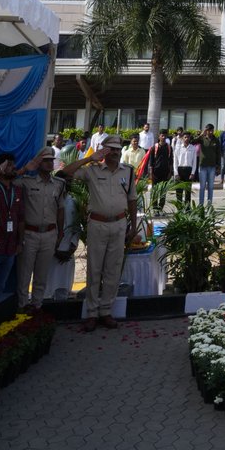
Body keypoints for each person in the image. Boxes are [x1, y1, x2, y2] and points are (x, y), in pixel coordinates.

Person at [59, 135, 137, 330]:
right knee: (95, 269)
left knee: (113, 269)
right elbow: (63, 174)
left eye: (118, 150)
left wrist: (134, 226)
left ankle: (106, 311)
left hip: (119, 224)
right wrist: (89, 158)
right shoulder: (91, 171)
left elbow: (132, 200)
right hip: (97, 224)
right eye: (111, 150)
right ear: (104, 152)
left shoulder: (127, 172)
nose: (115, 153)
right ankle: (92, 313)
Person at [15, 147, 65, 309]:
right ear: (38, 162)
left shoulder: (59, 184)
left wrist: (60, 233)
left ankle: (37, 307)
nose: (50, 163)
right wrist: (24, 169)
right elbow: (6, 181)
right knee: (24, 276)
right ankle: (22, 308)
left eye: (51, 160)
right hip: (30, 234)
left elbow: (60, 209)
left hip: (49, 233)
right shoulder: (27, 182)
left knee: (41, 276)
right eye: (46, 160)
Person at [0, 153, 24, 294]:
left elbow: (20, 218)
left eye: (13, 164)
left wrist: (20, 242)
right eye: (9, 165)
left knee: (0, 287)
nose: (14, 167)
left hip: (10, 248)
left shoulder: (17, 190)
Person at [195, 124, 221, 206]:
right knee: (202, 187)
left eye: (212, 130)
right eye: (209, 130)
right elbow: (193, 142)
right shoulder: (202, 139)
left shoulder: (216, 140)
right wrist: (201, 134)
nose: (210, 132)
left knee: (210, 187)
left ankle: (209, 205)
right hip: (203, 166)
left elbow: (218, 154)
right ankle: (201, 205)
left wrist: (218, 166)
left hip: (212, 167)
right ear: (206, 130)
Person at [147, 130, 174, 209]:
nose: (163, 137)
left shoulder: (169, 147)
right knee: (155, 191)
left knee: (163, 191)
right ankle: (154, 207)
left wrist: (170, 172)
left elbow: (171, 161)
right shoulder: (154, 147)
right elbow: (151, 161)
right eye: (162, 135)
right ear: (159, 136)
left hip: (165, 172)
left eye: (165, 136)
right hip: (155, 172)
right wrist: (151, 173)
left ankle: (160, 207)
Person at [173, 132, 197, 205]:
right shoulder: (178, 148)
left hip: (188, 171)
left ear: (190, 138)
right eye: (185, 137)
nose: (186, 139)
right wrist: (176, 173)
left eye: (188, 137)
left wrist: (192, 173)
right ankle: (179, 208)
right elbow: (175, 162)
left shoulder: (193, 148)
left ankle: (187, 209)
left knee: (187, 192)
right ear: (182, 138)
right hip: (180, 170)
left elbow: (194, 162)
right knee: (179, 192)